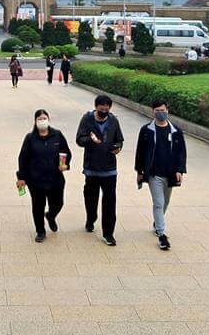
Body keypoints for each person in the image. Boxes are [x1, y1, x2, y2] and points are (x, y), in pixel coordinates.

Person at [135, 99, 187, 251]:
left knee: (165, 202)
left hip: (170, 173)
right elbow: (140, 152)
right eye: (157, 110)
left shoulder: (176, 131)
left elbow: (181, 153)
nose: (161, 113)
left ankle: (157, 223)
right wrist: (139, 171)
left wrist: (180, 170)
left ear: (168, 110)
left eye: (163, 110)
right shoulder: (146, 130)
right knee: (158, 202)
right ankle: (162, 234)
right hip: (154, 174)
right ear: (153, 112)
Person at [16, 109, 72, 242]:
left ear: (49, 119)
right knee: (38, 206)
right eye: (39, 119)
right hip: (36, 179)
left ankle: (51, 215)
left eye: (44, 118)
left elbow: (66, 152)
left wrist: (65, 164)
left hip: (55, 178)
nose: (42, 121)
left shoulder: (57, 135)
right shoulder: (30, 138)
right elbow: (23, 158)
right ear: (35, 121)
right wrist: (21, 177)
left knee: (58, 203)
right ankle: (40, 231)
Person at [76, 94, 124, 246]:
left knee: (110, 202)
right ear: (96, 107)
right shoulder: (87, 119)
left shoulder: (113, 120)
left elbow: (119, 140)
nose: (104, 111)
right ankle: (91, 218)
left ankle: (108, 233)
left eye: (107, 108)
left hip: (109, 169)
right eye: (101, 108)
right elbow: (79, 139)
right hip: (92, 169)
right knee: (91, 198)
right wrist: (91, 140)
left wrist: (118, 148)